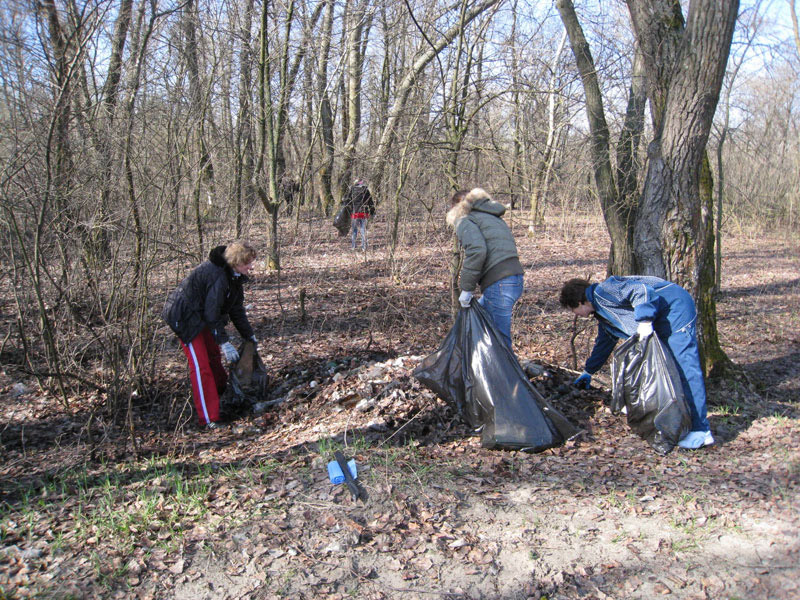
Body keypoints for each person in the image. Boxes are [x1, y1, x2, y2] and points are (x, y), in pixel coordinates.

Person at [558, 276, 714, 449]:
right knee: (670, 371)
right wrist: (589, 371)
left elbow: (641, 291)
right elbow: (604, 343)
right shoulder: (602, 315)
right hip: (660, 319)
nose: (576, 315)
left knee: (685, 368)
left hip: (675, 308)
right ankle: (682, 421)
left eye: (573, 310)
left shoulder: (605, 291)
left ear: (580, 303)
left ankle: (701, 430)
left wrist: (645, 320)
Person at [162, 242, 258, 429]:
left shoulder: (235, 276)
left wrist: (249, 336)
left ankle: (221, 395)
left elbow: (236, 309)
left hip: (203, 316)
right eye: (247, 263)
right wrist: (224, 342)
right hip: (185, 318)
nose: (251, 267)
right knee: (201, 366)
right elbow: (212, 312)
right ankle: (208, 418)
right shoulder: (219, 276)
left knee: (214, 358)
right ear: (236, 262)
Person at [446, 187, 524, 349]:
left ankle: (505, 373)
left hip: (500, 283)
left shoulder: (465, 220)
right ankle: (475, 366)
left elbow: (477, 251)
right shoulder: (491, 216)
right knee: (479, 321)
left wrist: (466, 289)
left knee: (499, 339)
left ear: (457, 208)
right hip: (514, 278)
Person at [343, 178, 375, 250]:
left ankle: (353, 246)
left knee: (354, 230)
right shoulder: (366, 191)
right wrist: (372, 212)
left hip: (355, 213)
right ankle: (364, 247)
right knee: (363, 229)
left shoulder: (352, 190)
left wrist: (347, 210)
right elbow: (370, 202)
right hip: (364, 213)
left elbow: (347, 201)